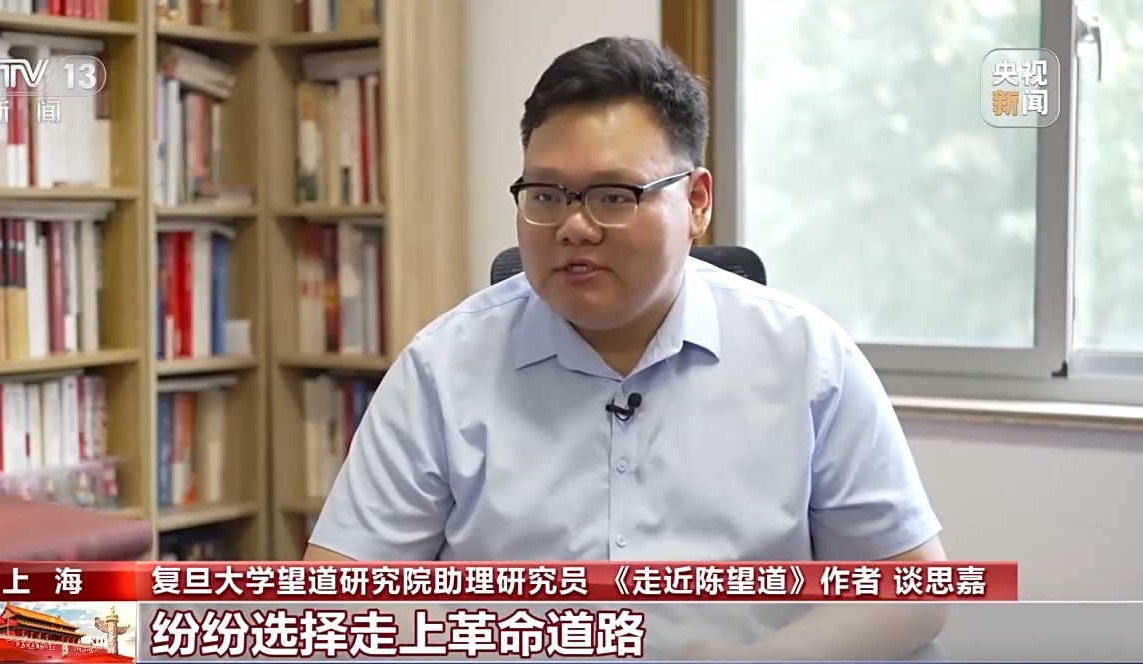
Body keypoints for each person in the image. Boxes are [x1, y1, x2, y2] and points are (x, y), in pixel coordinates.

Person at [305, 36, 948, 661]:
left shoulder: (807, 359)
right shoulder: (442, 368)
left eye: (614, 196)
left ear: (697, 202)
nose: (574, 227)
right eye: (546, 196)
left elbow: (914, 593)